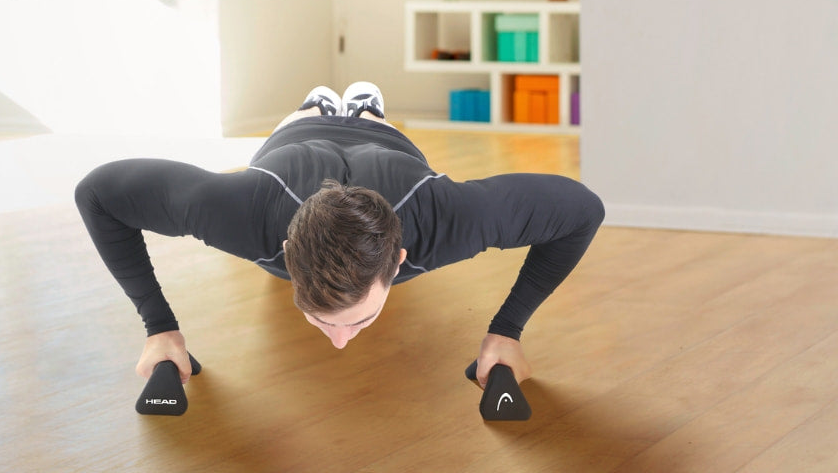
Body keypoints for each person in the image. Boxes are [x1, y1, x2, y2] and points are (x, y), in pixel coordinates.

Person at [75, 82, 604, 394]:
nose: (340, 342)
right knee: (306, 118)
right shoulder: (241, 213)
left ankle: (366, 109)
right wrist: (159, 328)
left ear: (399, 260)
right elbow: (96, 194)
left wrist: (507, 332)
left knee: (373, 127)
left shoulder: (444, 219)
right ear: (288, 254)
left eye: (359, 320)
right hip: (296, 140)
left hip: (388, 148)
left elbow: (583, 212)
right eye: (323, 319)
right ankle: (320, 106)